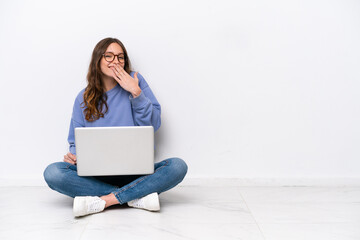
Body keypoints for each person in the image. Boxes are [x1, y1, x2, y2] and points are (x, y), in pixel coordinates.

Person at [43, 37, 188, 217]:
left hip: (136, 172)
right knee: (53, 173)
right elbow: (75, 140)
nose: (116, 62)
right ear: (98, 60)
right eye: (109, 56)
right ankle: (137, 195)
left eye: (120, 57)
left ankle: (105, 200)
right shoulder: (83, 97)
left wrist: (136, 93)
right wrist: (74, 156)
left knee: (177, 166)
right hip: (96, 174)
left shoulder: (136, 81)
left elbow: (154, 125)